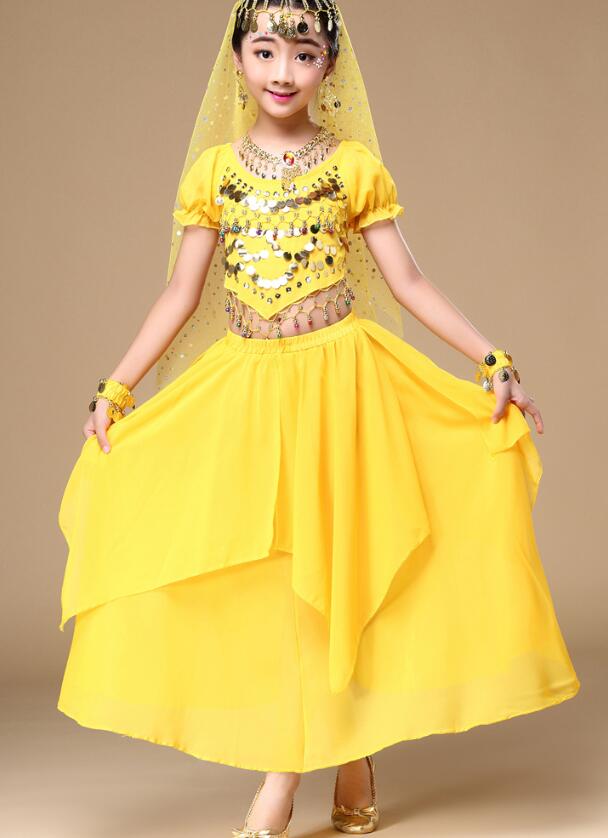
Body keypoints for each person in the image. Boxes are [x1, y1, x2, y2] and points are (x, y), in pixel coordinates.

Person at [56, 2, 581, 836]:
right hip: (250, 393)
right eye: (264, 51)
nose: (282, 71)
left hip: (343, 388)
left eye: (302, 54)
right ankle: (341, 752)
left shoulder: (352, 168)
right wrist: (115, 388)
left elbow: (408, 282)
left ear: (329, 67)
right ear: (237, 60)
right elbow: (181, 293)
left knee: (342, 566)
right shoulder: (214, 172)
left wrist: (493, 359)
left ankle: (296, 772)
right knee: (278, 581)